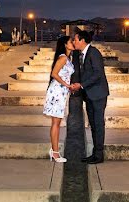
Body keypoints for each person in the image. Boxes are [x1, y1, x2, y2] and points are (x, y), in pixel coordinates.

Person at [70, 29, 109, 164]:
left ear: (82, 40)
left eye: (75, 39)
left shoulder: (94, 53)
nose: (73, 42)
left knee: (98, 124)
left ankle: (99, 155)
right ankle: (95, 153)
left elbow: (98, 74)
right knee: (93, 124)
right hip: (90, 95)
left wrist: (81, 85)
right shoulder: (80, 54)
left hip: (98, 94)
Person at [44, 35, 75, 162]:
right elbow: (54, 74)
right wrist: (67, 85)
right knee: (56, 123)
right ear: (65, 45)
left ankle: (54, 151)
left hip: (61, 92)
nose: (73, 43)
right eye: (70, 42)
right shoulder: (62, 58)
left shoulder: (68, 58)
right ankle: (55, 153)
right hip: (57, 91)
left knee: (57, 122)